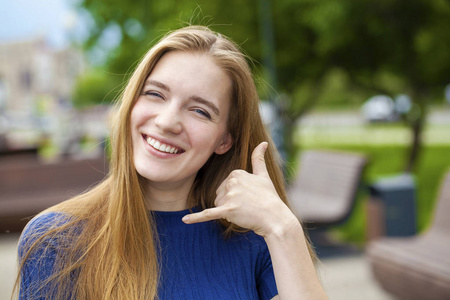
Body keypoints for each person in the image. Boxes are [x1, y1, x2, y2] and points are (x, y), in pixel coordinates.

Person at [14, 25, 328, 300]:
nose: (167, 122)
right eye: (155, 94)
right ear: (131, 103)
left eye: (200, 111)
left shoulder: (256, 238)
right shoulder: (56, 241)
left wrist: (283, 227)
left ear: (224, 140)